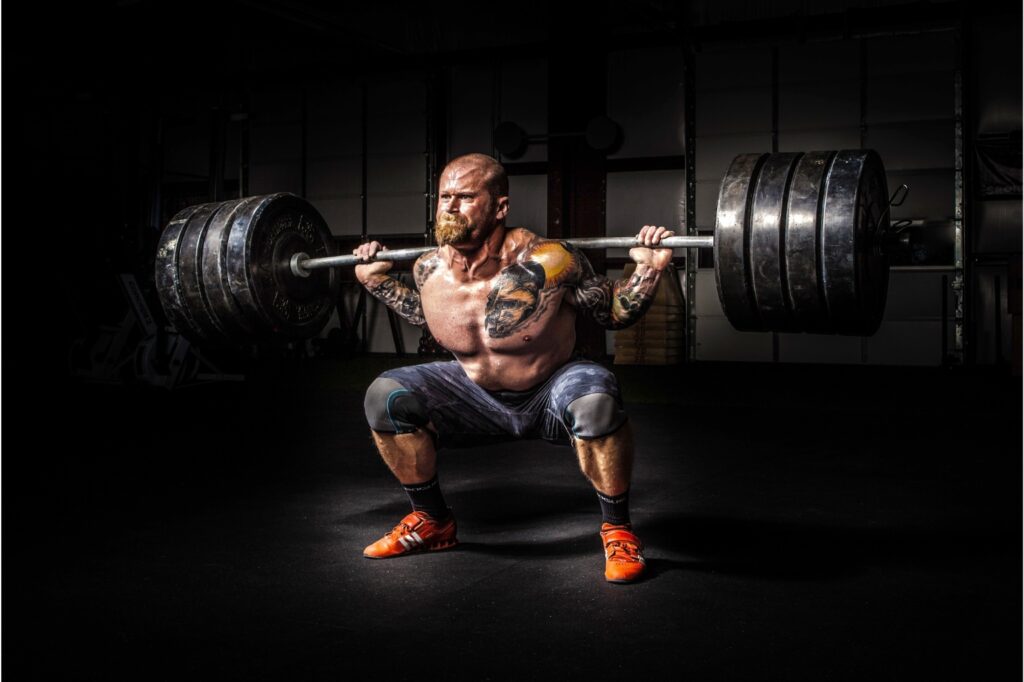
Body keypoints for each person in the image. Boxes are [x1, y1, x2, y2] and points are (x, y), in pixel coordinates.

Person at [353, 153, 673, 583]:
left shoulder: (553, 260)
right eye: (445, 196)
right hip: (472, 395)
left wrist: (648, 271)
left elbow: (612, 312)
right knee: (385, 396)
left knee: (596, 399)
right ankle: (432, 521)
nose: (450, 206)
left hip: (548, 387)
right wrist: (378, 282)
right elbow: (425, 315)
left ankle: (618, 530)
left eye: (465, 197)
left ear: (499, 207)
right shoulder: (427, 268)